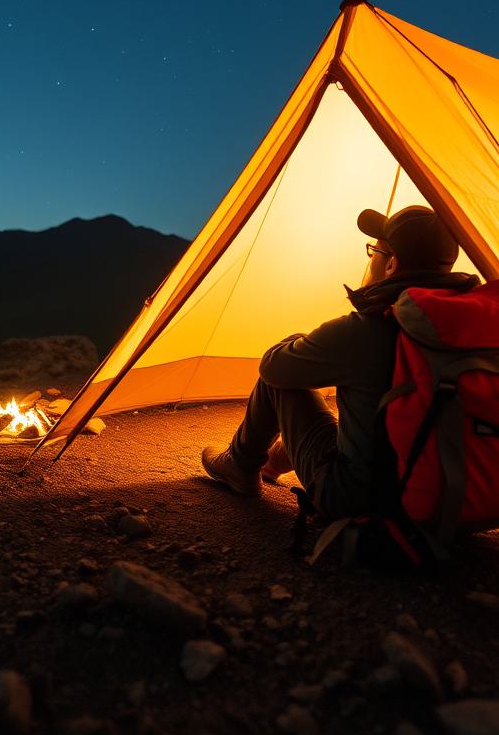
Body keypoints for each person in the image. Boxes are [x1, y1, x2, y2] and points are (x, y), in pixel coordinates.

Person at [200, 204, 476, 520]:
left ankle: (240, 463)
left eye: (375, 251)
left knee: (283, 362)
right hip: (451, 499)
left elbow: (273, 368)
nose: (371, 259)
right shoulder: (474, 326)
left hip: (364, 501)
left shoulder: (368, 329)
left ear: (392, 265)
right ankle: (273, 463)